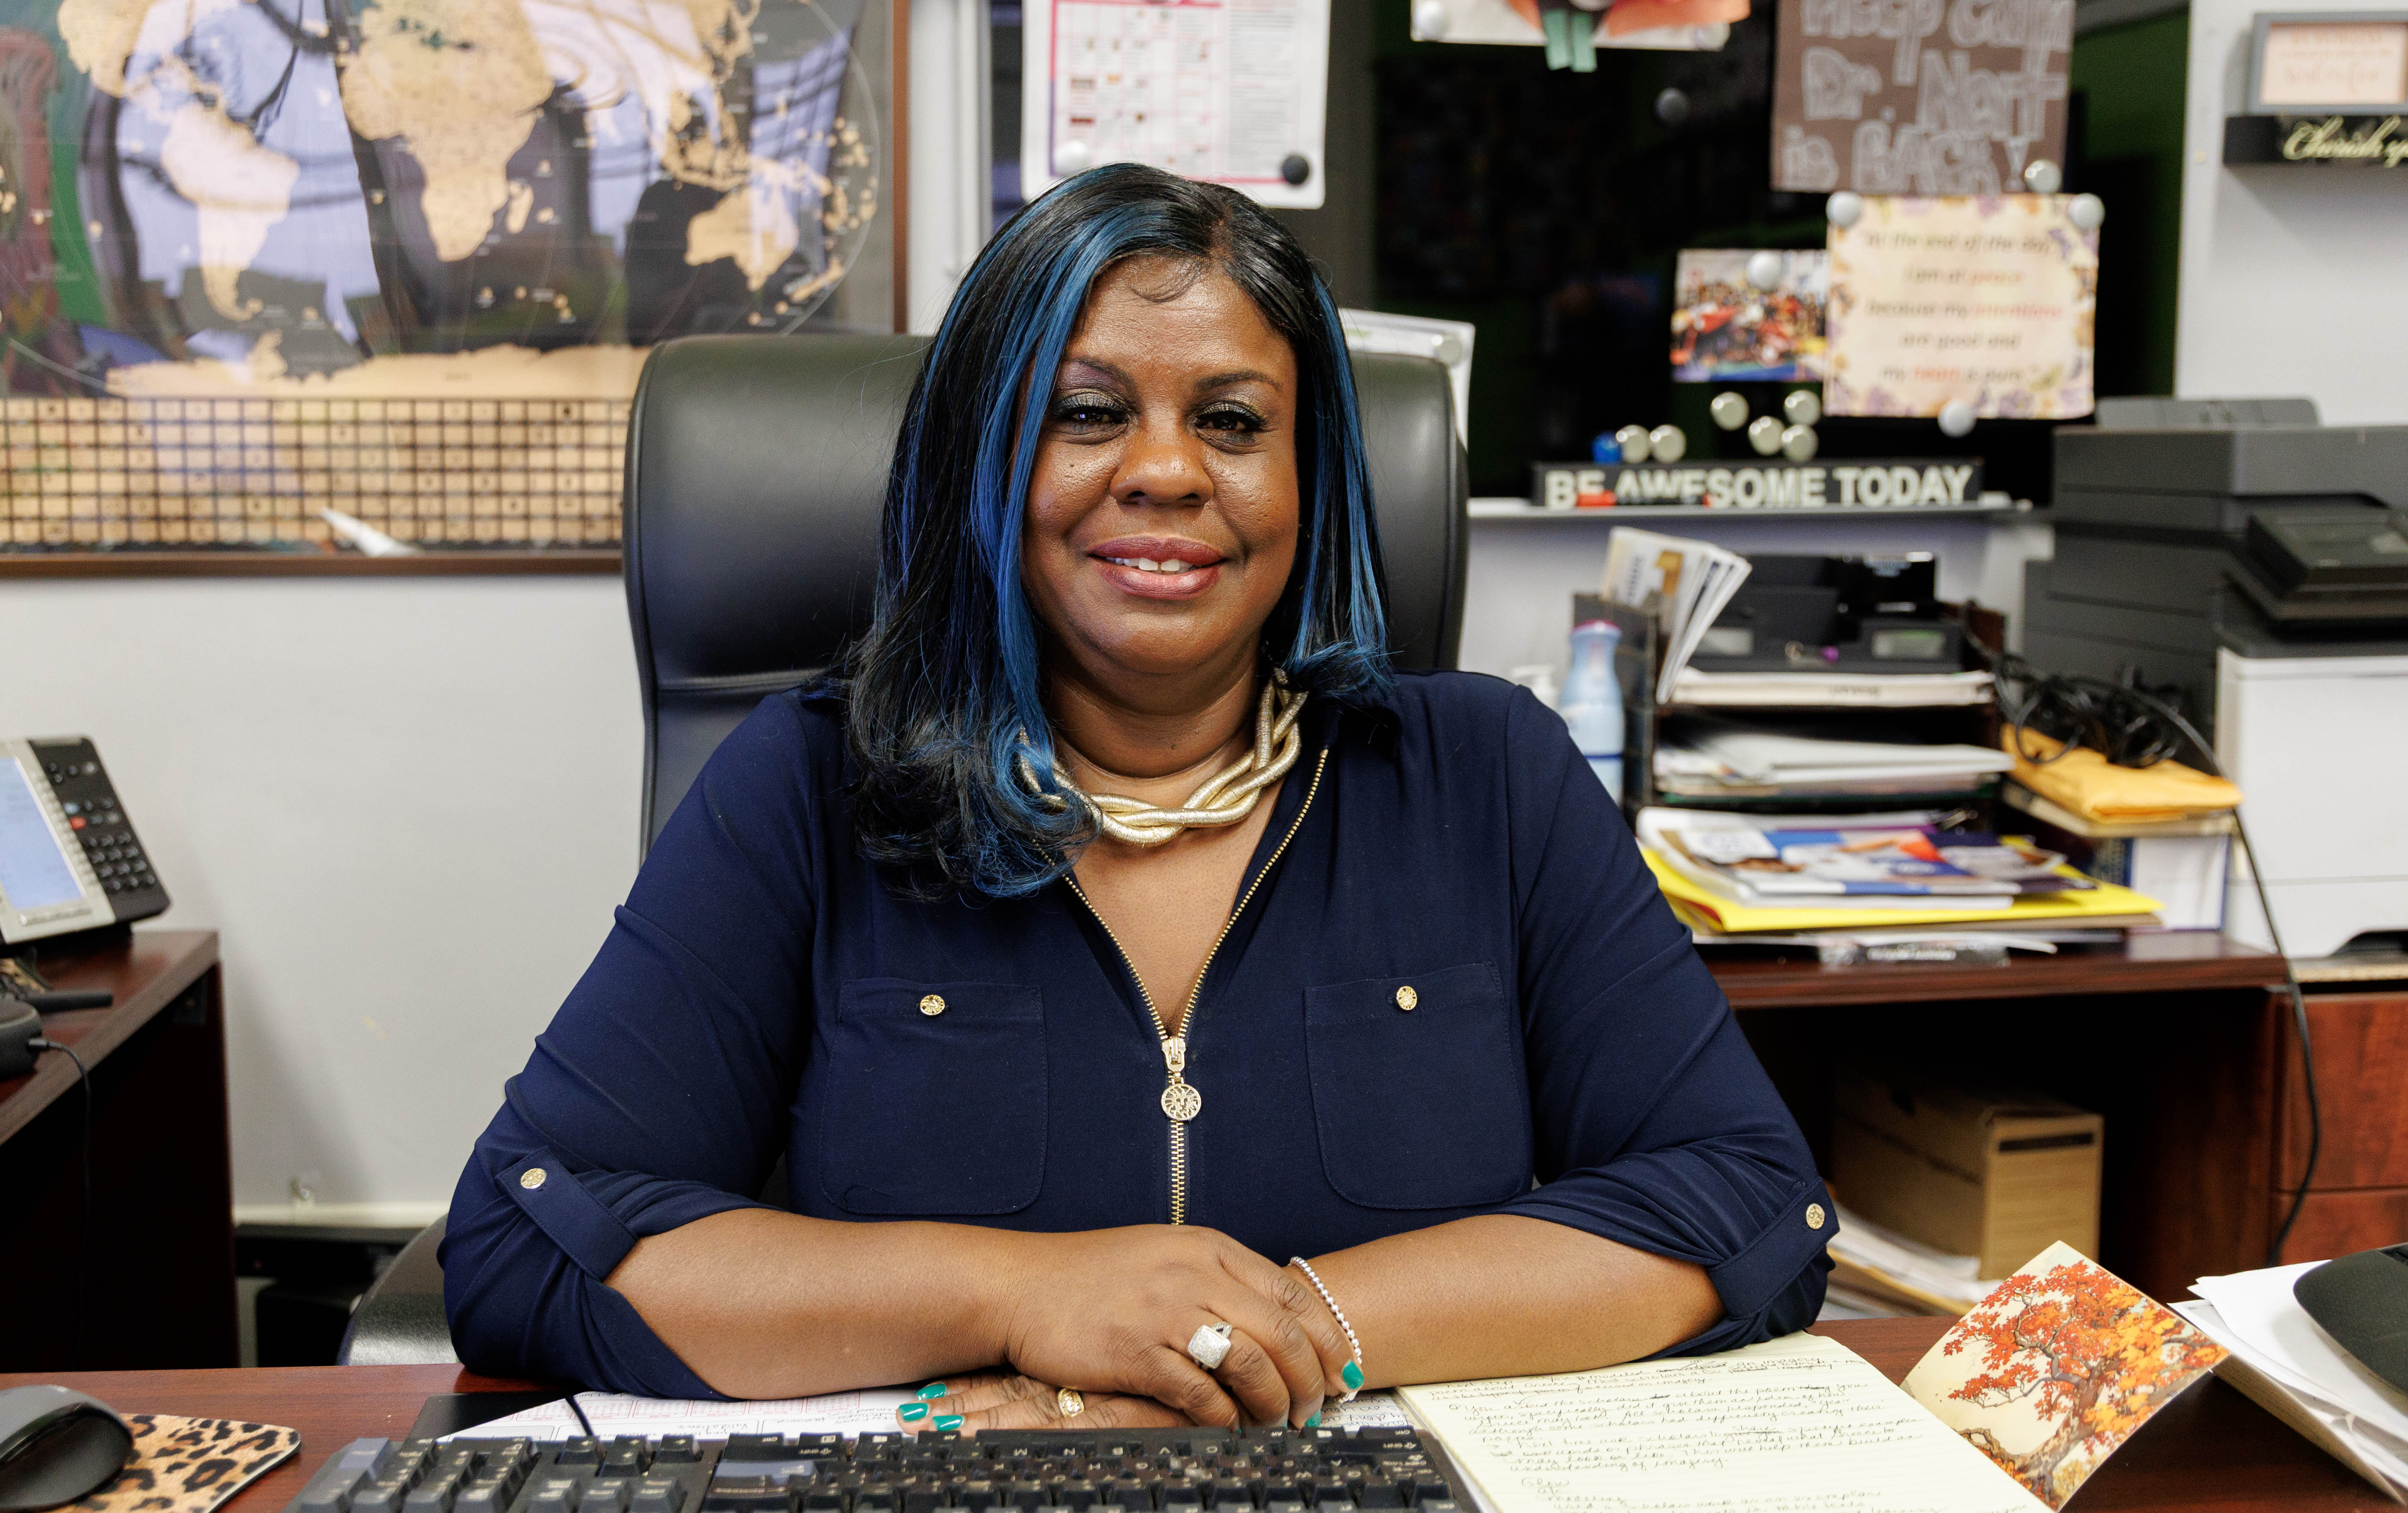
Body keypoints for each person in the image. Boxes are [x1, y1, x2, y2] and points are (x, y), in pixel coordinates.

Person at [442, 164, 1833, 1430]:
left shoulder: (1487, 774)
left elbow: (1749, 1201)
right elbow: (530, 1239)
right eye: (1089, 413)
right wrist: (1024, 1298)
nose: (1167, 471)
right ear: (984, 461)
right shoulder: (811, 782)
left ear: (1312, 478)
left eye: (1232, 421)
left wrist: (1272, 1346)